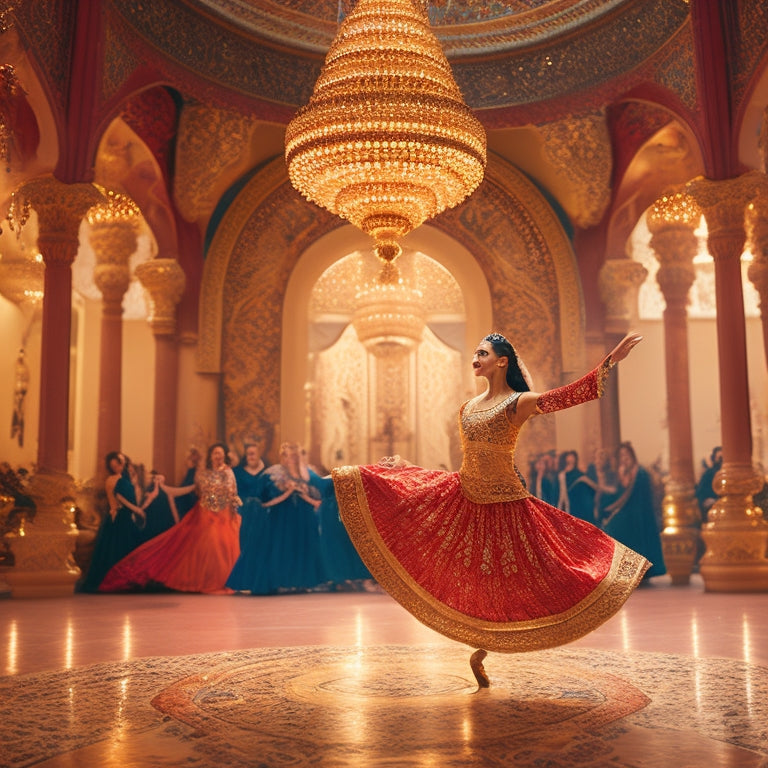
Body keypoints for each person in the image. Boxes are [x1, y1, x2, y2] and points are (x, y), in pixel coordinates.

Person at [332, 331, 650, 687]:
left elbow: (563, 396)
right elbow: (466, 464)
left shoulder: (519, 402)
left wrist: (609, 362)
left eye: (482, 353)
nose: (475, 358)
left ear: (502, 361)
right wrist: (407, 467)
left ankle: (496, 645)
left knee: (535, 575)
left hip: (507, 503)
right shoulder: (467, 408)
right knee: (471, 579)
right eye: (474, 352)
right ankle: (480, 648)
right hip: (466, 497)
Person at [98, 443, 241, 594]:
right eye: (214, 453)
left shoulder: (228, 472)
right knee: (195, 544)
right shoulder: (205, 473)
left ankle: (218, 581)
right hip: (205, 513)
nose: (217, 456)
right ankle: (204, 581)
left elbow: (232, 493)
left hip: (222, 514)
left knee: (219, 546)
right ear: (211, 456)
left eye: (219, 453)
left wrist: (235, 511)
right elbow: (198, 491)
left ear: (224, 455)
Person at [79, 452, 156, 592]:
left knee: (131, 547)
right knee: (118, 549)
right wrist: (135, 510)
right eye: (113, 466)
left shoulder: (129, 478)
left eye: (119, 464)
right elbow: (118, 497)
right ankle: (118, 581)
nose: (117, 468)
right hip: (120, 517)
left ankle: (129, 580)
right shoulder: (113, 479)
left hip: (127, 516)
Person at [226, 442, 295, 594]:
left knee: (260, 546)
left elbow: (271, 493)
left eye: (254, 454)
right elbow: (232, 491)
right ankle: (246, 582)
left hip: (263, 514)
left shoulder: (268, 472)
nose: (251, 456)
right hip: (244, 512)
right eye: (249, 454)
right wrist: (239, 506)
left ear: (259, 455)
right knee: (245, 543)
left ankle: (259, 581)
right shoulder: (237, 471)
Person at [602, 441, 666, 580]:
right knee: (612, 529)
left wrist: (614, 508)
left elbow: (631, 492)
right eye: (621, 455)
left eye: (626, 454)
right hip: (629, 511)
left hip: (639, 512)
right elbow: (620, 489)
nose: (624, 457)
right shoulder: (624, 470)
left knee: (617, 527)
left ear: (631, 455)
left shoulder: (640, 471)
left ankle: (639, 571)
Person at [556, 449, 597, 523]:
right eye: (569, 461)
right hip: (570, 507)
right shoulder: (562, 475)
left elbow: (592, 489)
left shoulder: (580, 474)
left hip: (582, 506)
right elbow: (561, 496)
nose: (571, 461)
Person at [695, 446, 722, 521]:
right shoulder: (709, 473)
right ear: (714, 458)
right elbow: (700, 492)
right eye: (719, 458)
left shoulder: (730, 474)